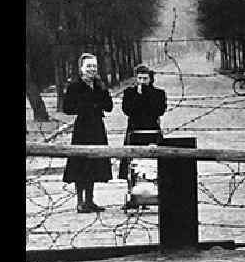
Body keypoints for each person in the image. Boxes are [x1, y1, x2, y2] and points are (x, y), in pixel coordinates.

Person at [61, 53, 113, 213]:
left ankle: (90, 200)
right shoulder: (75, 86)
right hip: (82, 128)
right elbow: (68, 108)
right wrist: (87, 106)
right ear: (81, 69)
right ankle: (80, 201)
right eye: (89, 66)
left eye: (94, 66)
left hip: (97, 127)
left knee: (94, 163)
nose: (92, 69)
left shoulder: (99, 85)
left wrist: (103, 93)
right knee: (80, 163)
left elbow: (109, 106)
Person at [118, 64, 167, 180]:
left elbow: (159, 110)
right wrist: (139, 97)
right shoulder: (129, 93)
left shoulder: (158, 94)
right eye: (139, 78)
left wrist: (146, 95)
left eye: (145, 79)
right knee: (133, 166)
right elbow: (128, 110)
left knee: (153, 166)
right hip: (134, 131)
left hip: (152, 130)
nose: (142, 81)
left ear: (150, 79)